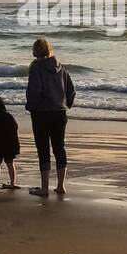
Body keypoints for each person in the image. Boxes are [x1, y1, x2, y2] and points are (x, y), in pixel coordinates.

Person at [24, 37, 75, 197]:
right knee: (59, 147)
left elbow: (35, 91)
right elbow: (71, 90)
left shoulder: (36, 68)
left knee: (43, 149)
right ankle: (60, 185)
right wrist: (67, 104)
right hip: (59, 112)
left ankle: (45, 188)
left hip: (41, 113)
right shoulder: (62, 68)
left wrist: (30, 106)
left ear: (35, 52)